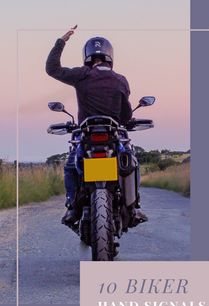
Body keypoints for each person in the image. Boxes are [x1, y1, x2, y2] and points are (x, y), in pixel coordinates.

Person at [46, 27, 147, 227]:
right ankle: (133, 209)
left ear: (87, 56)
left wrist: (61, 41)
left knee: (70, 165)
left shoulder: (82, 74)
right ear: (110, 56)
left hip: (86, 137)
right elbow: (126, 114)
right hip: (113, 137)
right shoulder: (120, 80)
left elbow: (52, 69)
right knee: (131, 162)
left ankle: (72, 209)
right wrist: (127, 121)